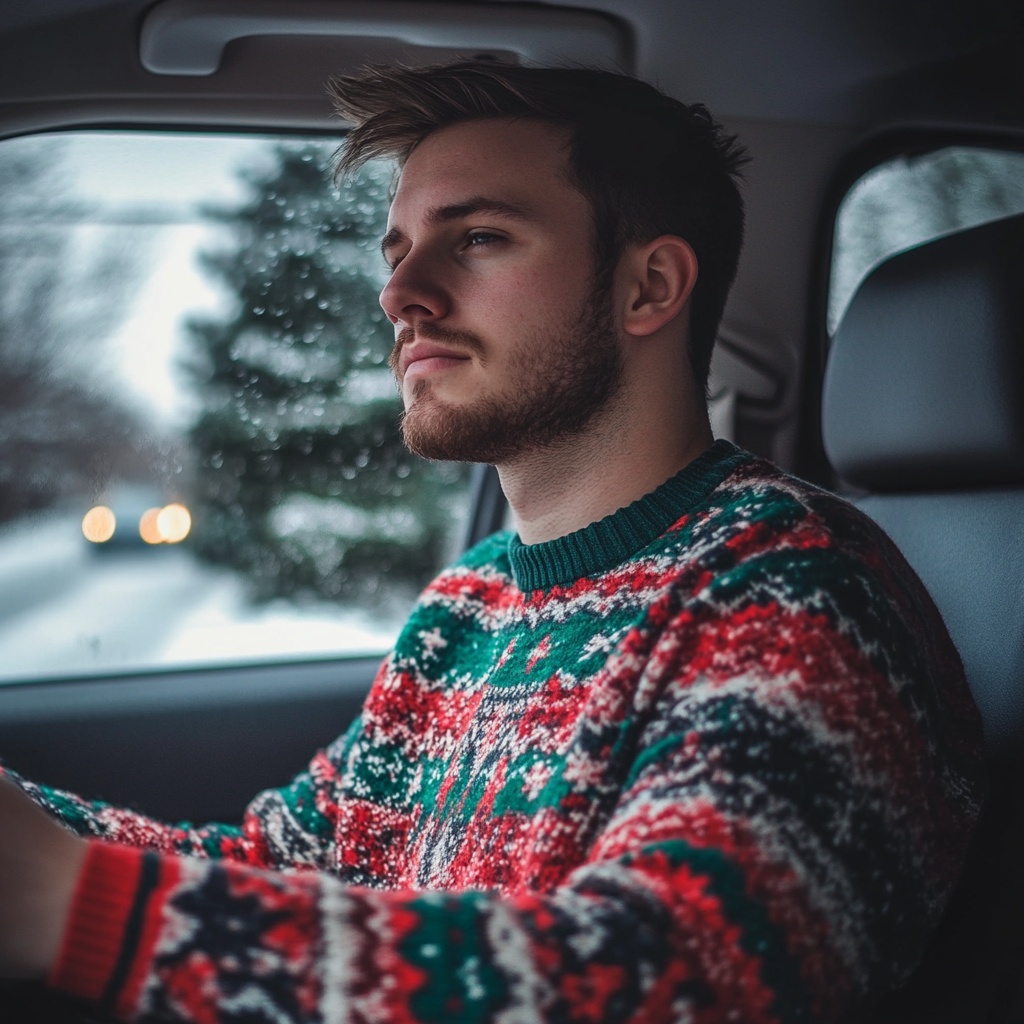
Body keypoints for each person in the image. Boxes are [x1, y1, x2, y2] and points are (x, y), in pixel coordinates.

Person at [0, 61, 985, 1024]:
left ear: (648, 287)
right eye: (395, 254)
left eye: (476, 237)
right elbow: (291, 859)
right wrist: (33, 829)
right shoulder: (469, 606)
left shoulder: (792, 596)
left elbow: (673, 977)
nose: (401, 296)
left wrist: (72, 904)